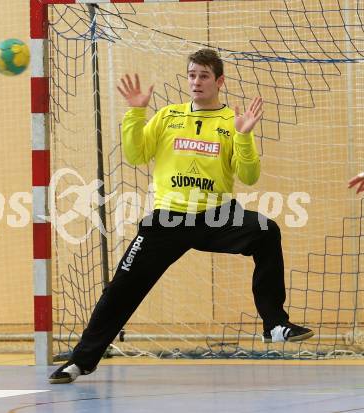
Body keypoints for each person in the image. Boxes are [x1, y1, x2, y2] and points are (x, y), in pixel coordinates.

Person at [49, 48, 314, 384]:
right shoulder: (168, 116)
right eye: (191, 75)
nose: (196, 81)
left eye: (204, 75)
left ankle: (274, 323)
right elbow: (135, 154)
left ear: (219, 81)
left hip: (215, 216)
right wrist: (136, 113)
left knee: (265, 231)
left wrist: (244, 135)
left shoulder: (231, 122)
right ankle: (80, 361)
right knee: (121, 288)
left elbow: (248, 176)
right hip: (168, 220)